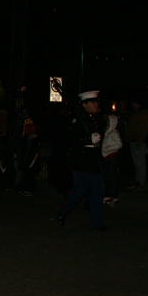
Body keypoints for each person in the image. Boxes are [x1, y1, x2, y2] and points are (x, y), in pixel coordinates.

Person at [57, 90, 109, 231]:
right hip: (81, 160)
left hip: (94, 159)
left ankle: (96, 222)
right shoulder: (77, 119)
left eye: (97, 101)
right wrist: (88, 139)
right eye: (93, 102)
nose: (96, 104)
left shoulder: (97, 118)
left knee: (98, 192)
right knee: (79, 191)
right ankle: (62, 211)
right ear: (84, 104)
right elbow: (71, 140)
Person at [125, 97, 148, 191]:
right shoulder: (138, 113)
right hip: (134, 140)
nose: (133, 105)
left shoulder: (144, 113)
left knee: (140, 163)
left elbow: (144, 128)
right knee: (137, 163)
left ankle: (141, 182)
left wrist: (140, 141)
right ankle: (138, 181)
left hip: (138, 141)